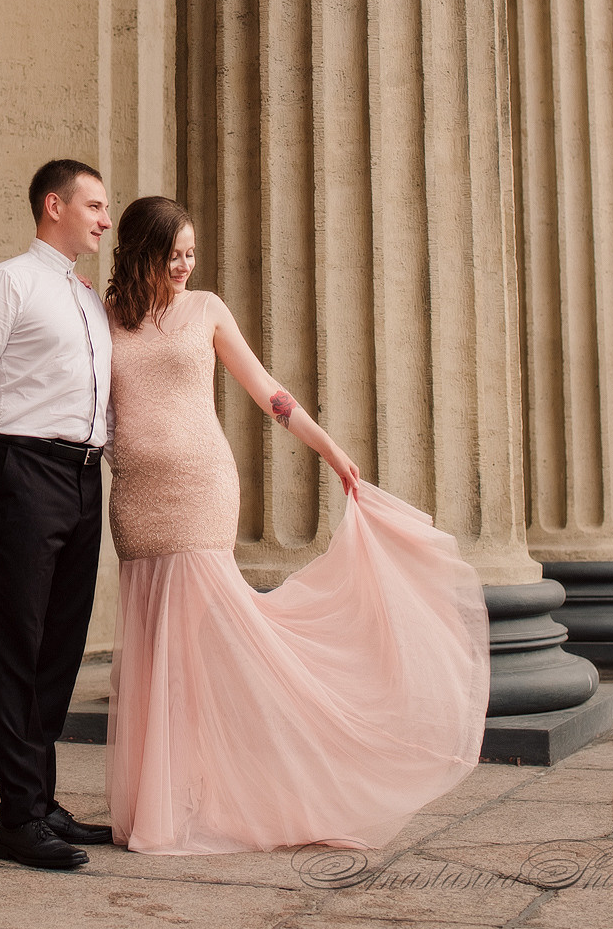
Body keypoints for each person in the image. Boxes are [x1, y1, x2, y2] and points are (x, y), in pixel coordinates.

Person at [103, 195, 490, 854]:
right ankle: (157, 807)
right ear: (144, 253)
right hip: (136, 498)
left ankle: (306, 765)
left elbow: (268, 391)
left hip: (200, 489)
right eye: (175, 254)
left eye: (192, 254)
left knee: (203, 643)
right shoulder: (102, 317)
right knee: (148, 645)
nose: (185, 267)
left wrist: (328, 447)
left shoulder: (206, 310)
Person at [0, 158, 115, 871]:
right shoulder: (8, 281)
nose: (105, 219)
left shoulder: (87, 296)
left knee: (60, 644)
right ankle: (17, 818)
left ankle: (40, 801)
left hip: (83, 476)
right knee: (18, 643)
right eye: (95, 205)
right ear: (54, 205)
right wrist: (8, 456)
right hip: (26, 470)